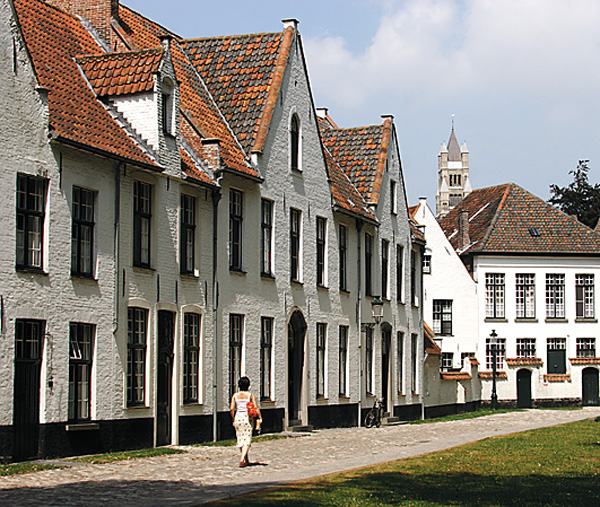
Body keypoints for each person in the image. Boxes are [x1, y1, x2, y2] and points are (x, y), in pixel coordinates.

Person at [230, 376, 262, 467]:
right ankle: (242, 459)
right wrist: (260, 417)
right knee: (247, 439)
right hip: (247, 418)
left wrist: (233, 419)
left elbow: (232, 408)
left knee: (240, 438)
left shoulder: (235, 395)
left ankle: (246, 459)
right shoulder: (250, 395)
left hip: (238, 417)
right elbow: (256, 407)